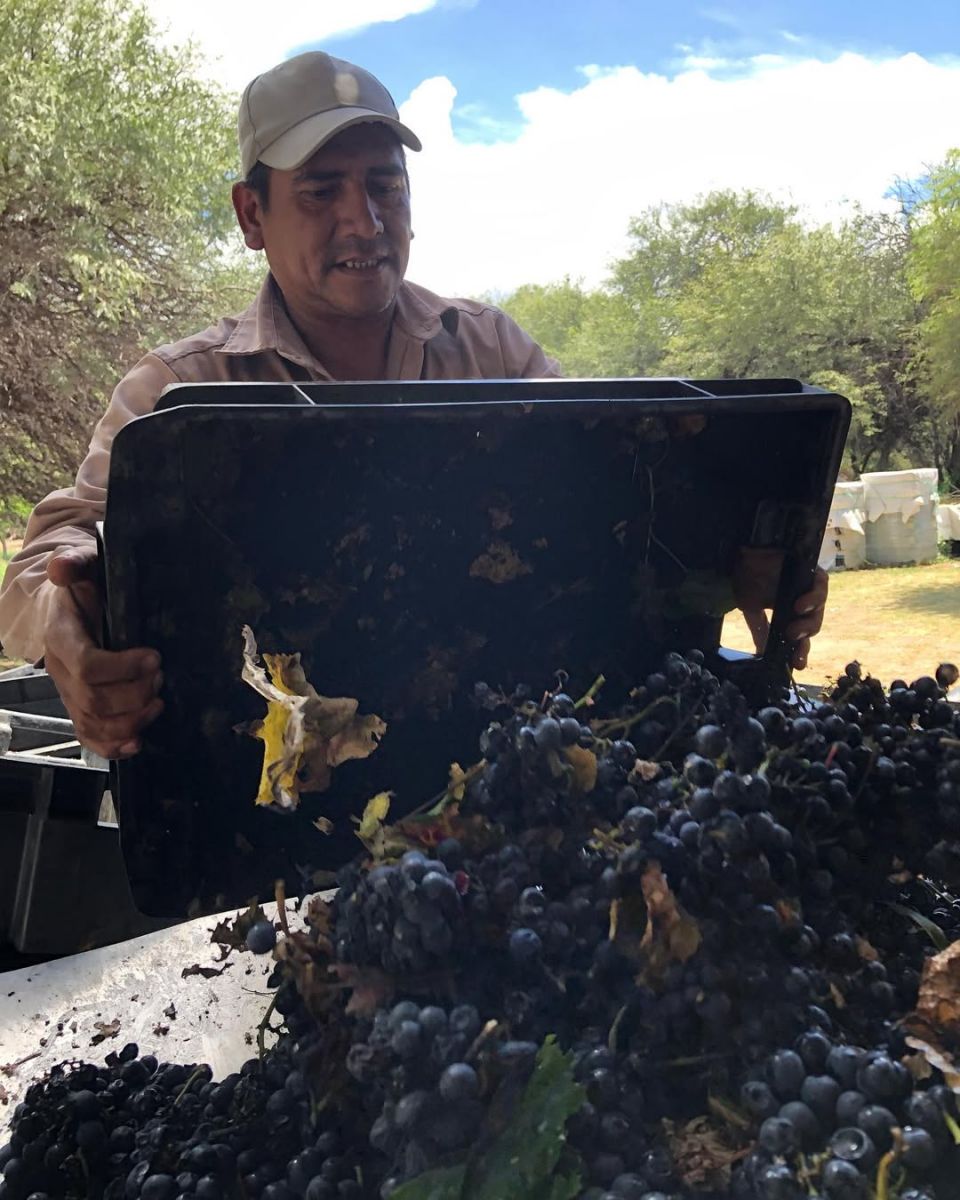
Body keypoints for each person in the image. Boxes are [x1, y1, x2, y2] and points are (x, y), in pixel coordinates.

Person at [0, 51, 827, 760]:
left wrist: (738, 557)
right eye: (322, 193)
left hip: (500, 775)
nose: (363, 222)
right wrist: (60, 620)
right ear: (252, 215)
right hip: (280, 803)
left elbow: (619, 492)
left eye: (384, 187)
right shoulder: (180, 392)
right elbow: (46, 559)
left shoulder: (496, 354)